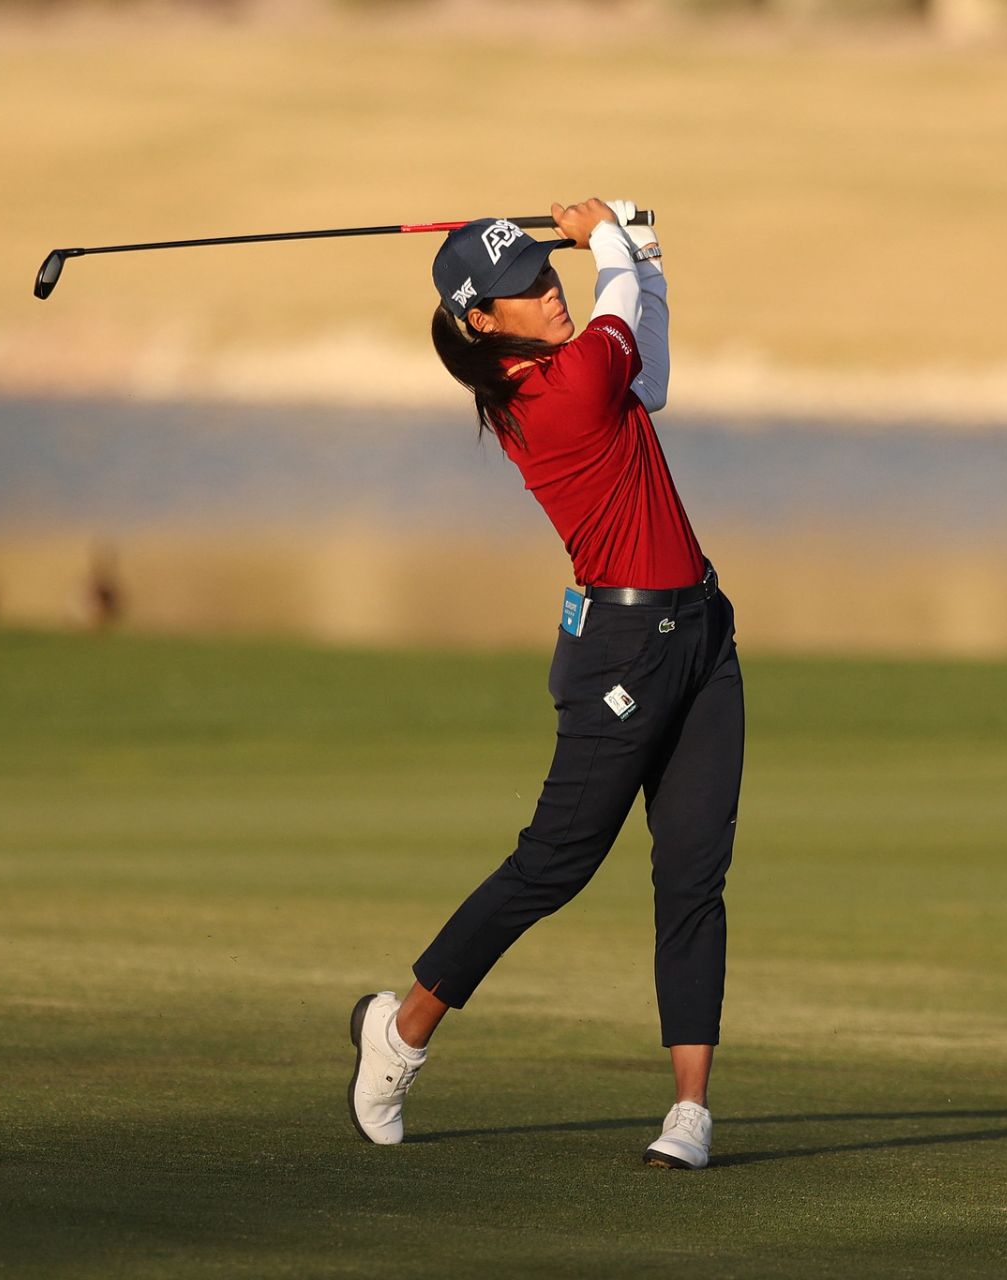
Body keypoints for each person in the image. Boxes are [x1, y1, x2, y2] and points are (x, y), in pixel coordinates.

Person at [347, 198, 743, 1170]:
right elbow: (614, 324)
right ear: (484, 319)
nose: (546, 289)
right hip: (622, 653)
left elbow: (649, 369)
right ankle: (401, 1032)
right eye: (525, 286)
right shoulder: (554, 395)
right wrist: (605, 232)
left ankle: (690, 1110)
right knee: (553, 864)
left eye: (544, 270)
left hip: (701, 631)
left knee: (692, 873)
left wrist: (638, 249)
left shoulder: (585, 377)